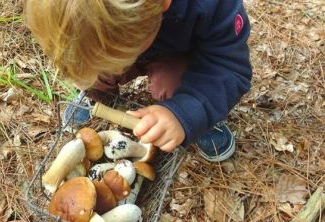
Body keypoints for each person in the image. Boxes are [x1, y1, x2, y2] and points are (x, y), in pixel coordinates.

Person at [24, 0, 253, 162]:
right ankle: (97, 101)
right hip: (135, 38)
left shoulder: (212, 6)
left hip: (181, 51)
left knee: (174, 85)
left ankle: (202, 120)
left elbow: (228, 66)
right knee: (95, 73)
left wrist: (187, 113)